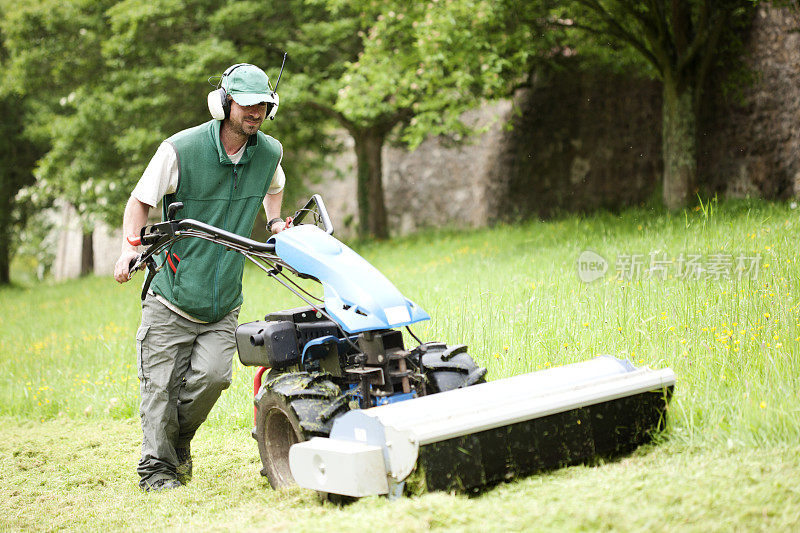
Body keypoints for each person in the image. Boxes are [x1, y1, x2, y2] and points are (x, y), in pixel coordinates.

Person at [113, 63, 290, 492]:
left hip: (223, 298)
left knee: (215, 377)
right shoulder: (181, 149)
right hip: (172, 292)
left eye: (262, 105)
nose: (255, 112)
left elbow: (275, 187)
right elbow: (139, 201)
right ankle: (157, 472)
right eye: (246, 104)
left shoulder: (269, 152)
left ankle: (175, 445)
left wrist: (275, 223)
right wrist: (130, 247)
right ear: (224, 103)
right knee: (160, 387)